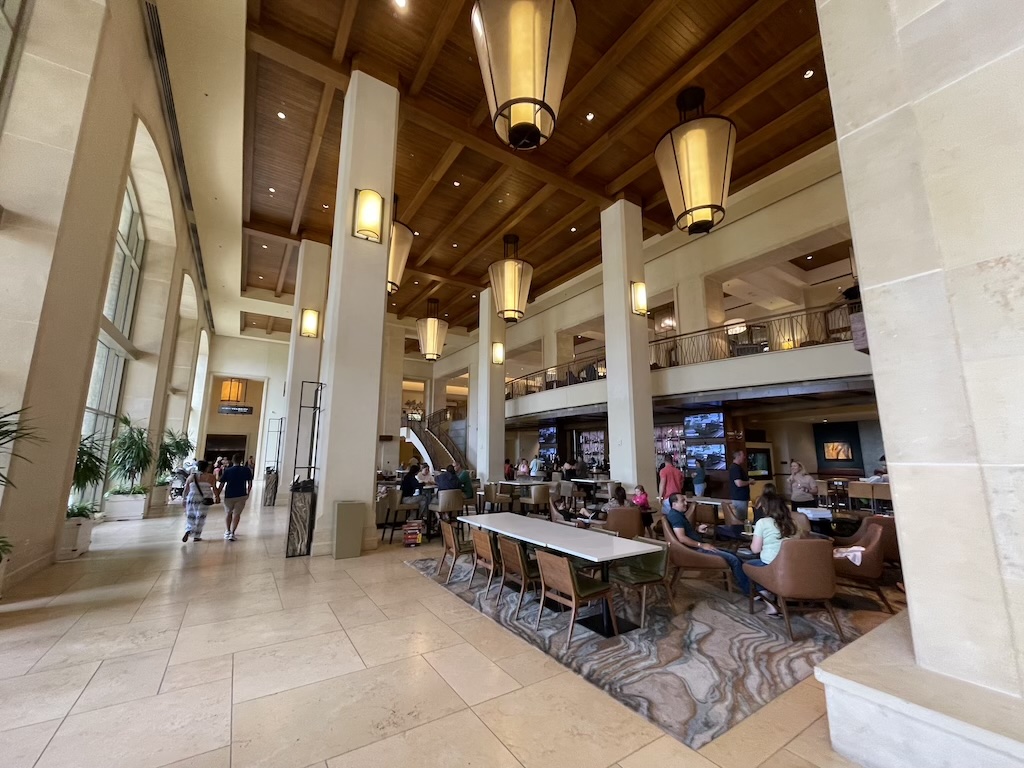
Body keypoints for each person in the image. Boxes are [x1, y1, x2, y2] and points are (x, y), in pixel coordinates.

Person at [664, 493, 750, 595]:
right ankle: (749, 591)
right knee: (733, 559)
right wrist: (701, 545)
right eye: (682, 501)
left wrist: (697, 529)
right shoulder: (676, 517)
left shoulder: (676, 515)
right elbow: (682, 538)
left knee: (733, 555)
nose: (686, 503)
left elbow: (683, 532)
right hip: (693, 551)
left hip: (694, 548)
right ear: (674, 504)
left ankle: (747, 584)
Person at [746, 487, 804, 616]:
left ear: (767, 508)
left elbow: (755, 549)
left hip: (771, 566)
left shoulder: (762, 523)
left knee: (747, 565)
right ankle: (773, 593)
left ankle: (767, 597)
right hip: (793, 567)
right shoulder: (795, 523)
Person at [217, 453, 253, 541]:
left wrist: (217, 494)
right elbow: (250, 483)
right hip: (241, 494)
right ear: (241, 460)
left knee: (228, 513)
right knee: (237, 514)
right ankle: (233, 533)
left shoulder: (228, 470)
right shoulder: (246, 470)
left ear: (232, 461)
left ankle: (228, 531)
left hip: (229, 495)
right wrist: (248, 493)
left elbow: (222, 484)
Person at [182, 460, 218, 542]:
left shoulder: (191, 477)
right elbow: (215, 488)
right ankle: (196, 536)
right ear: (207, 467)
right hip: (205, 499)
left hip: (192, 497)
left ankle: (189, 529)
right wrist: (217, 497)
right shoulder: (211, 477)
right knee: (201, 517)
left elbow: (186, 489)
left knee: (191, 515)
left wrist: (184, 499)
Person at [729, 450, 752, 520]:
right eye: (743, 455)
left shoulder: (735, 467)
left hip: (739, 497)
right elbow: (739, 483)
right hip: (740, 498)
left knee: (741, 518)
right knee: (741, 520)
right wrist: (749, 482)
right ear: (738, 456)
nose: (744, 457)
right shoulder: (735, 468)